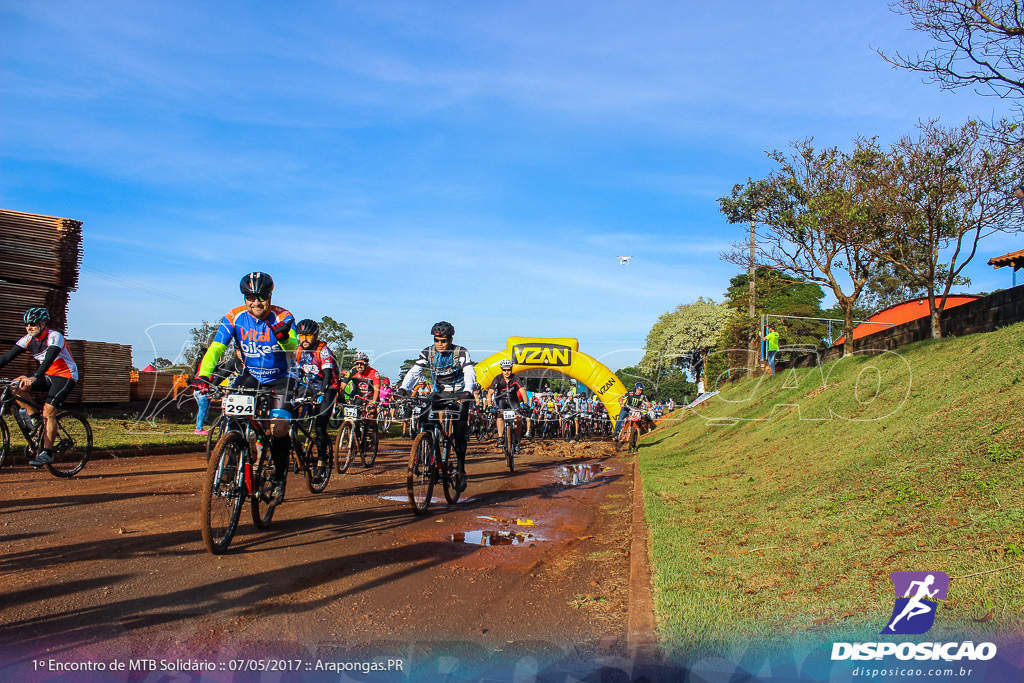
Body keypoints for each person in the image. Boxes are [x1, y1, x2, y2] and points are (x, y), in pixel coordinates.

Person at [196, 272, 297, 504]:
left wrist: (282, 336)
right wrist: (204, 375)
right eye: (250, 297)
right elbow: (216, 348)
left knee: (279, 429)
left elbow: (293, 346)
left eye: (261, 296)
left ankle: (280, 479)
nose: (256, 302)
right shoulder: (234, 317)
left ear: (270, 295)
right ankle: (232, 459)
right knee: (232, 415)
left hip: (282, 377)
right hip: (251, 375)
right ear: (245, 298)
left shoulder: (283, 316)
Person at [397, 321, 476, 489]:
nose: (440, 344)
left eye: (444, 340)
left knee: (460, 429)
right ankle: (426, 451)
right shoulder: (428, 352)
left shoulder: (460, 352)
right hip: (439, 393)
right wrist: (404, 388)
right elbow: (414, 371)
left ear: (451, 339)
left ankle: (461, 468)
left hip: (459, 393)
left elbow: (469, 371)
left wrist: (468, 390)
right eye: (437, 340)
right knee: (424, 417)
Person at [0, 308, 79, 466]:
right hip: (47, 375)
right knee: (15, 386)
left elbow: (49, 359)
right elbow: (7, 357)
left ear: (43, 324)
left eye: (33, 324)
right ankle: (35, 419)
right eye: (27, 324)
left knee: (49, 411)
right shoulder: (28, 339)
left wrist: (35, 377)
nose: (29, 327)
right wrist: (33, 377)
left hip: (65, 376)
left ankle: (47, 453)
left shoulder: (54, 336)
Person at [293, 318, 339, 463]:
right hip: (309, 386)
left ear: (316, 335)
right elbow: (294, 372)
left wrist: (322, 392)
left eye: (308, 336)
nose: (304, 339)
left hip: (328, 387)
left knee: (320, 426)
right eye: (301, 335)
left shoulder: (323, 351)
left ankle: (322, 459)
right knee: (290, 417)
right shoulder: (298, 350)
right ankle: (297, 448)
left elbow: (327, 374)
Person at [487, 359, 529, 447]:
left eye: (509, 370)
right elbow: (490, 393)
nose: (506, 372)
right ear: (501, 370)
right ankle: (500, 437)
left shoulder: (515, 378)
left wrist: (525, 404)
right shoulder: (497, 378)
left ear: (511, 369)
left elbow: (523, 391)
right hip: (501, 400)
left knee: (518, 418)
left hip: (513, 400)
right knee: (500, 415)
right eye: (504, 370)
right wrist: (490, 405)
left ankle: (517, 441)